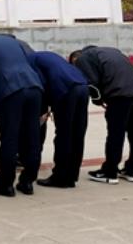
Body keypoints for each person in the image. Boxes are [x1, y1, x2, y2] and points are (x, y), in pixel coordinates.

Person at [0, 31, 43, 197]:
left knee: (9, 137)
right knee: (33, 136)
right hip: (34, 86)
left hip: (10, 89)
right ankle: (27, 182)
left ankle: (5, 184)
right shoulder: (12, 41)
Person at [69, 45, 133, 184]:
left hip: (119, 95)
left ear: (75, 59)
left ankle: (110, 172)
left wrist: (98, 100)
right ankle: (132, 170)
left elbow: (92, 85)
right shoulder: (112, 51)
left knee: (115, 134)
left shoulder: (82, 59)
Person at [30, 51, 89, 188]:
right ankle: (72, 175)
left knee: (64, 135)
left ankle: (60, 177)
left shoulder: (29, 62)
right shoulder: (45, 56)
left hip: (66, 91)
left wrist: (43, 110)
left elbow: (41, 84)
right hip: (82, 87)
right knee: (77, 134)